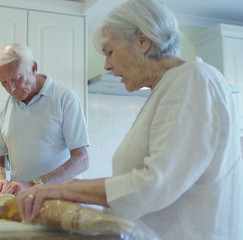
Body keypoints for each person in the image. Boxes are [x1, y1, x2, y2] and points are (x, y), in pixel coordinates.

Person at [16, 0, 243, 239]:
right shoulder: (172, 85)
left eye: (110, 52)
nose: (107, 65)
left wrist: (65, 189)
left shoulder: (194, 81)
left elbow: (155, 184)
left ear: (142, 41)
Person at [0, 43, 90, 198]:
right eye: (3, 83)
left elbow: (81, 159)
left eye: (16, 78)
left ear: (33, 67)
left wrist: (35, 184)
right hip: (21, 201)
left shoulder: (64, 98)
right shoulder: (3, 107)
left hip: (61, 199)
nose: (11, 89)